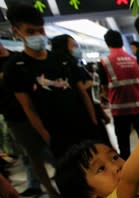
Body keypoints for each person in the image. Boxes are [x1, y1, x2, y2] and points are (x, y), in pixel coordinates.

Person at [4, 4, 98, 158]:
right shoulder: (16, 68)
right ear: (16, 32)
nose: (38, 35)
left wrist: (93, 121)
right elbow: (29, 108)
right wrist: (46, 137)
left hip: (84, 126)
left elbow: (82, 92)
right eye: (30, 31)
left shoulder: (62, 59)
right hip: (58, 135)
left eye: (40, 30)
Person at [0, 40, 62, 198]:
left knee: (53, 148)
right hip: (16, 118)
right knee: (34, 154)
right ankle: (50, 189)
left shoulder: (16, 60)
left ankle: (63, 177)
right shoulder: (13, 64)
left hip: (39, 112)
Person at [51, 34, 111, 146]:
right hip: (86, 117)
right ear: (63, 47)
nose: (77, 48)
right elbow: (82, 92)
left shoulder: (78, 65)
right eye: (73, 46)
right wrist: (94, 119)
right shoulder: (67, 67)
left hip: (93, 113)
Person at [98, 29, 139, 159]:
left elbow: (103, 87)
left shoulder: (105, 62)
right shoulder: (133, 59)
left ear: (107, 44)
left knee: (124, 145)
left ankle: (129, 171)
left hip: (120, 111)